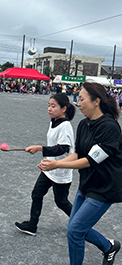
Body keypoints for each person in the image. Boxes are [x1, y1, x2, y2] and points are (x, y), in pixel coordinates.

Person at [39, 82, 122, 265]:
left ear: (96, 101)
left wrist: (58, 166)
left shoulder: (109, 127)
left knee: (75, 231)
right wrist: (57, 163)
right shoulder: (84, 124)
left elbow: (91, 160)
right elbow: (78, 153)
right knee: (75, 229)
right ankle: (109, 247)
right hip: (86, 185)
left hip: (104, 188)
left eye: (82, 99)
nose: (79, 103)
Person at [15, 93, 76, 236]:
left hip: (60, 169)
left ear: (64, 109)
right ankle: (32, 225)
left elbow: (63, 148)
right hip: (48, 168)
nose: (49, 108)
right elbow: (53, 146)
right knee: (37, 193)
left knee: (61, 202)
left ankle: (81, 222)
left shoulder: (65, 125)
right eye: (49, 105)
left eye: (53, 106)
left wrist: (40, 148)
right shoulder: (52, 122)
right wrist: (44, 158)